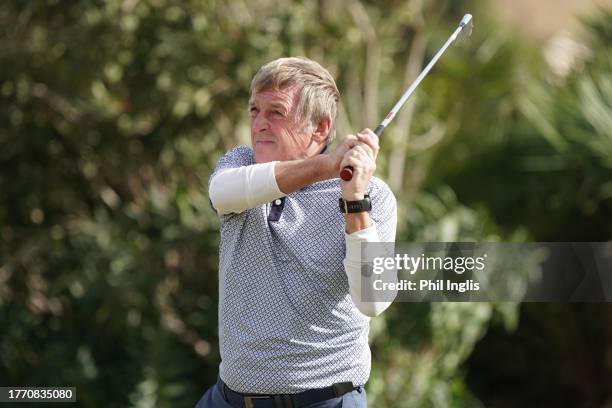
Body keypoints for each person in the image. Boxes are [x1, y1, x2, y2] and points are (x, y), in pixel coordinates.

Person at [196, 56, 397, 408]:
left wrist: (354, 201)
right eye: (254, 110)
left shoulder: (373, 195)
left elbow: (373, 299)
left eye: (276, 112)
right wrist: (327, 165)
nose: (259, 124)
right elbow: (221, 194)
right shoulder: (241, 164)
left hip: (325, 402)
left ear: (320, 128)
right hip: (228, 399)